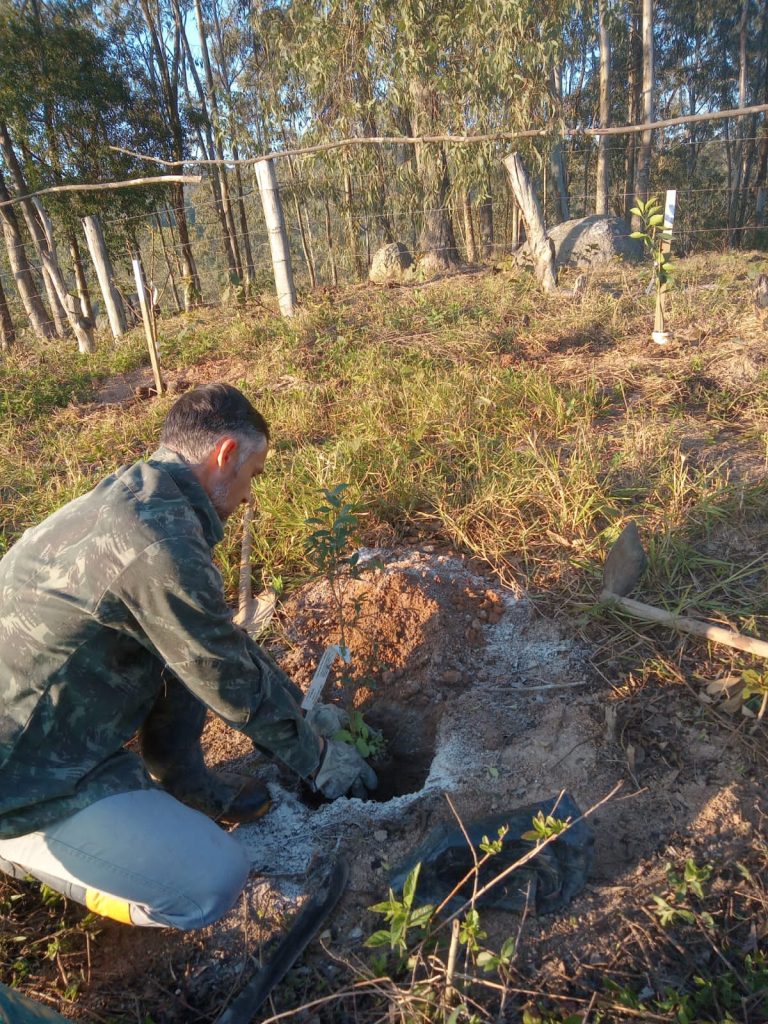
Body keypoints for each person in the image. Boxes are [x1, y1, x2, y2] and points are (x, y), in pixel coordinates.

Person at [0, 383, 376, 930]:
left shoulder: (134, 500)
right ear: (225, 454)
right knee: (213, 880)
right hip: (24, 773)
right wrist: (316, 758)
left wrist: (300, 709)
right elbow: (225, 677)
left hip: (45, 725)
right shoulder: (159, 543)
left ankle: (182, 783)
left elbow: (210, 644)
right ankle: (24, 849)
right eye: (253, 475)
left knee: (178, 657)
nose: (250, 496)